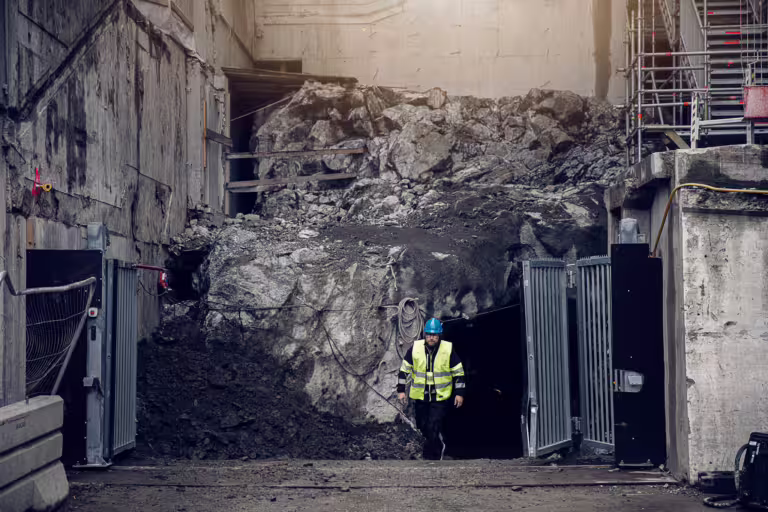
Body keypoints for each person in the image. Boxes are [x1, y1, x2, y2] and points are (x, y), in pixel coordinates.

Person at [397, 317, 465, 460]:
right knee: (422, 426)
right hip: (421, 396)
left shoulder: (447, 349)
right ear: (425, 335)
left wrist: (459, 393)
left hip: (440, 397)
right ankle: (434, 449)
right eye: (429, 334)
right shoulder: (415, 348)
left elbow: (458, 373)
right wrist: (401, 391)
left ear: (439, 335)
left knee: (433, 424)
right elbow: (404, 370)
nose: (431, 338)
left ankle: (433, 455)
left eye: (434, 335)